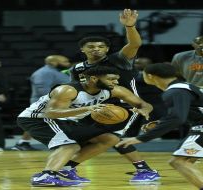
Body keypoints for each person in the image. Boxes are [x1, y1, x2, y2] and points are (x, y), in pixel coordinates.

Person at [17, 66, 151, 187]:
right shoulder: (67, 90)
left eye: (116, 79)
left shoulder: (114, 90)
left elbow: (143, 104)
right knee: (69, 146)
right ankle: (46, 176)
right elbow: (51, 113)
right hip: (37, 119)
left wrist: (145, 109)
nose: (115, 82)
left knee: (110, 139)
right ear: (93, 78)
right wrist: (88, 109)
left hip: (65, 120)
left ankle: (67, 169)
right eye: (111, 79)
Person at [68, 9, 160, 182]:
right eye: (92, 47)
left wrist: (130, 26)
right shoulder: (77, 68)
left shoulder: (118, 60)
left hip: (126, 106)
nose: (97, 49)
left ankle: (146, 171)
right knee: (92, 138)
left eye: (101, 46)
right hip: (96, 106)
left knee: (116, 139)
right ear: (82, 49)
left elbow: (134, 44)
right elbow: (77, 89)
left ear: (107, 49)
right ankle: (69, 168)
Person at [116, 63, 203, 190]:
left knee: (178, 162)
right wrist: (161, 124)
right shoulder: (186, 86)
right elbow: (189, 113)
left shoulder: (175, 91)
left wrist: (141, 138)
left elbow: (177, 118)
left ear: (150, 76)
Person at [12, 55, 72, 151]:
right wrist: (56, 101)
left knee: (39, 123)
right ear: (53, 62)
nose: (68, 63)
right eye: (65, 61)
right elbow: (42, 89)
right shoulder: (44, 72)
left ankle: (23, 142)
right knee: (40, 123)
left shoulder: (56, 72)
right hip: (45, 102)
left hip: (59, 101)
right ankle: (63, 143)